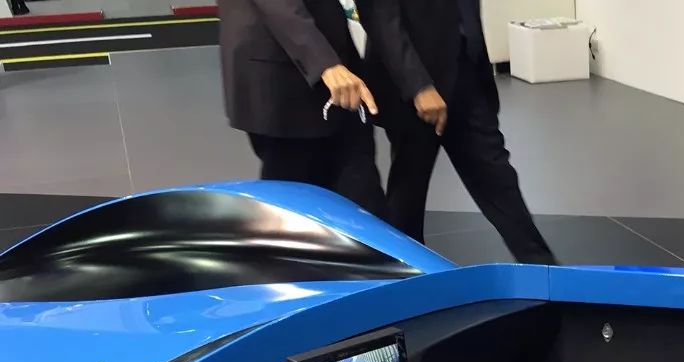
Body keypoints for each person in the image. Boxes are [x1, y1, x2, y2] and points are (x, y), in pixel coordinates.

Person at [357, 0, 555, 262]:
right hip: (415, 81)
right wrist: (418, 86)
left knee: (497, 177)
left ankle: (543, 267)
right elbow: (380, 15)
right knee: (409, 188)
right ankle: (406, 270)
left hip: (467, 71)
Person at [219, 0, 386, 214]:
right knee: (294, 205)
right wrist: (325, 64)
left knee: (362, 195)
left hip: (338, 66)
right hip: (283, 81)